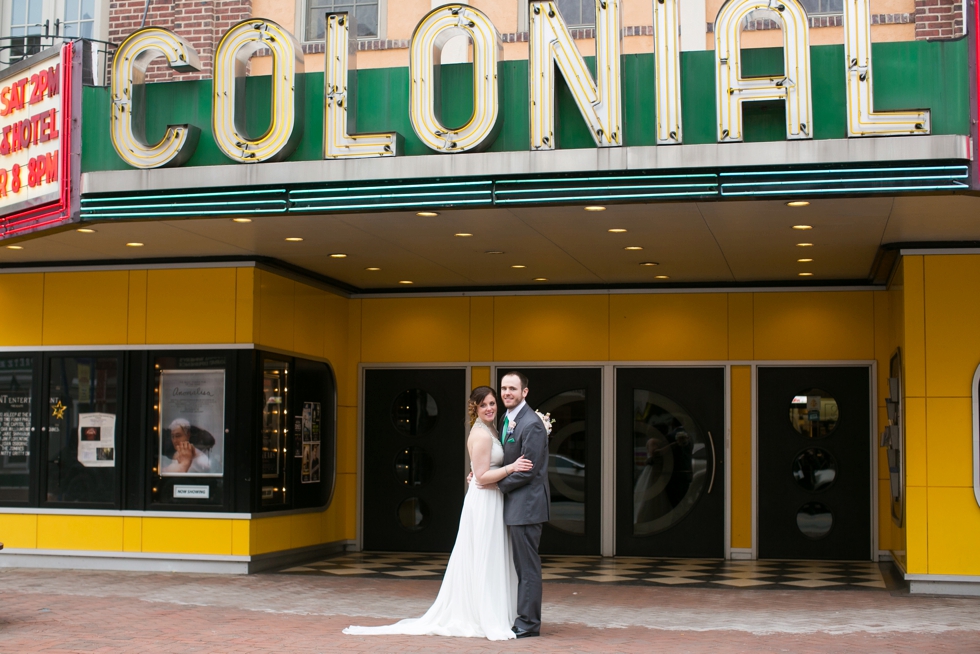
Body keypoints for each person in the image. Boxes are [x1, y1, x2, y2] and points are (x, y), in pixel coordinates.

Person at [343, 386, 534, 641]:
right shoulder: (480, 434)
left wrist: (489, 472)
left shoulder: (492, 429)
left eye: (491, 403)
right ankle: (481, 615)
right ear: (474, 408)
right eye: (484, 405)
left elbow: (481, 470)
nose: (490, 408)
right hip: (485, 501)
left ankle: (498, 612)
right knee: (484, 555)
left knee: (493, 556)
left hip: (493, 498)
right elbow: (481, 476)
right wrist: (510, 467)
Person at [494, 371, 551, 638]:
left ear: (524, 392)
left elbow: (529, 469)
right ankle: (521, 617)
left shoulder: (532, 424)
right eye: (504, 388)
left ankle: (528, 624)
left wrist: (495, 485)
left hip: (526, 507)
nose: (506, 393)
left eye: (512, 389)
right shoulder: (507, 419)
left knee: (527, 567)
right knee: (518, 566)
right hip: (513, 506)